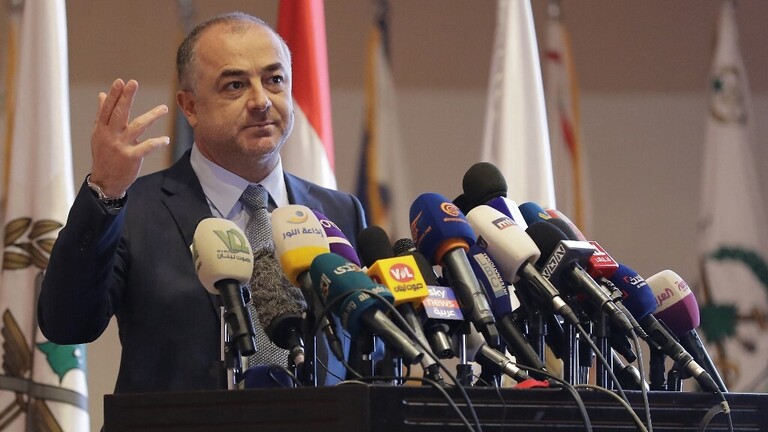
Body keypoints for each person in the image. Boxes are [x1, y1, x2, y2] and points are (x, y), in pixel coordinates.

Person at [38, 12, 365, 393]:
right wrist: (104, 190)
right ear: (190, 106)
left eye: (274, 80)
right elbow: (66, 324)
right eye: (235, 85)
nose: (261, 101)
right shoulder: (133, 210)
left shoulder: (338, 212)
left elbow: (362, 357)